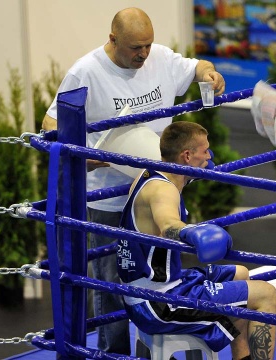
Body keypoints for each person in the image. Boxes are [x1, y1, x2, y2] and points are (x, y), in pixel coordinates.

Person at [42, 7, 226, 355]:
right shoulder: (86, 71)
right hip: (108, 198)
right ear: (112, 39)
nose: (143, 54)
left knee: (163, 274)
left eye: (148, 45)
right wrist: (83, 154)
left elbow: (196, 66)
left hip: (157, 191)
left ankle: (157, 340)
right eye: (135, 48)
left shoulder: (160, 58)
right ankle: (114, 354)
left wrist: (210, 73)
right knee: (111, 283)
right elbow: (50, 123)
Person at [117, 121, 276, 360]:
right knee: (265, 295)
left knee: (241, 273)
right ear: (187, 155)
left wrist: (192, 173)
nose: (210, 155)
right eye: (205, 151)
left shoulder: (151, 172)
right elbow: (168, 224)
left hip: (151, 288)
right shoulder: (163, 191)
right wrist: (191, 233)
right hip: (159, 302)